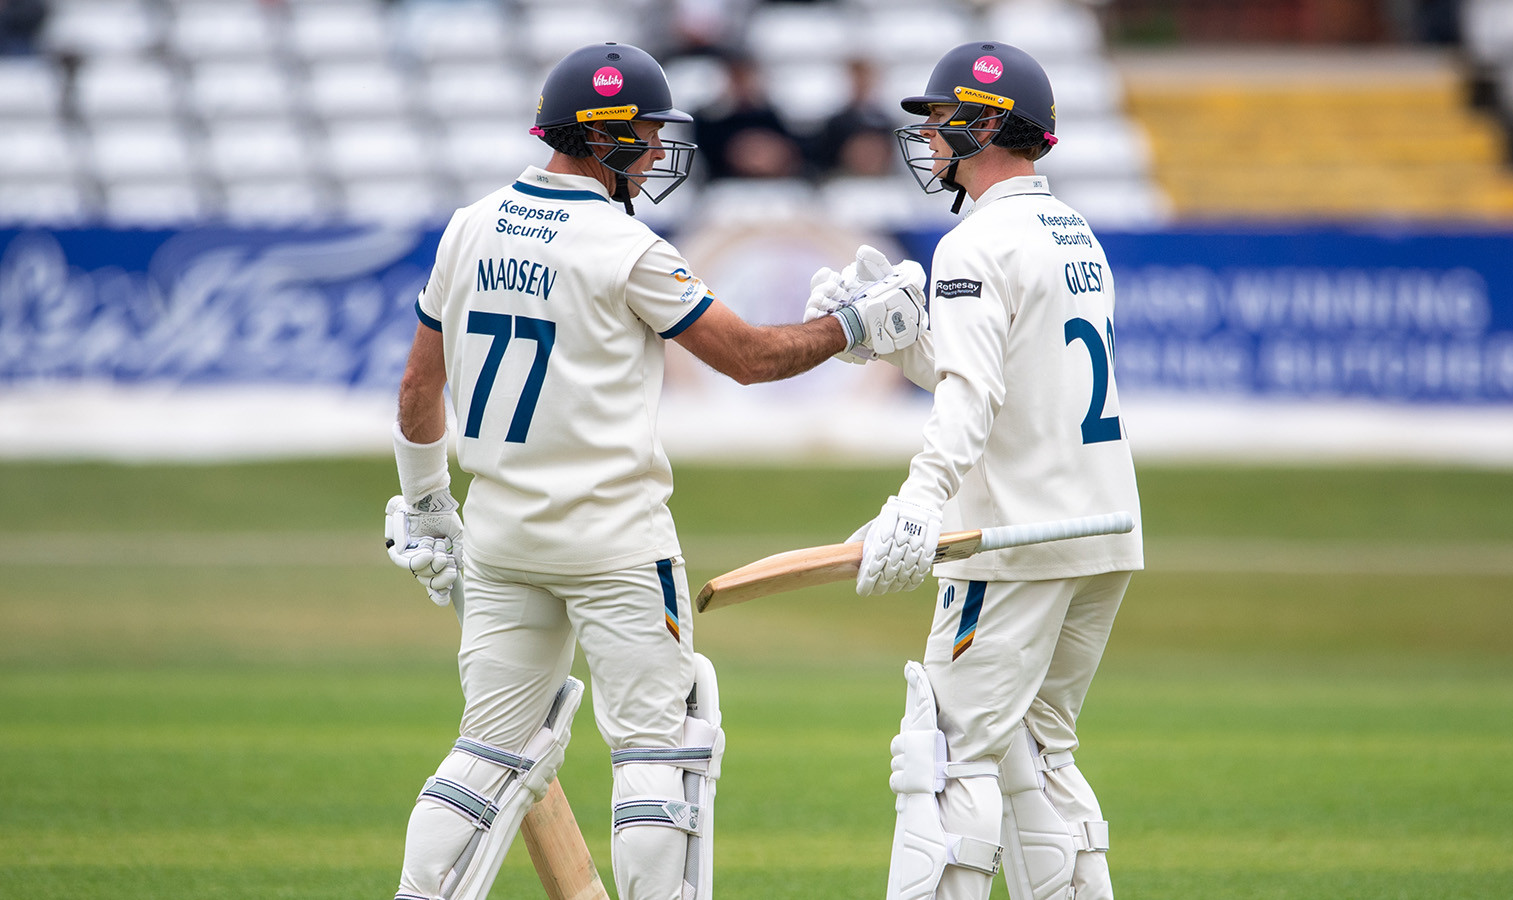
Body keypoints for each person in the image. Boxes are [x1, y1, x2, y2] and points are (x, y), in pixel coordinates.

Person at [380, 41, 926, 900]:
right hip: (615, 541)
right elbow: (746, 358)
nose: (655, 150)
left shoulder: (470, 224)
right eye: (642, 133)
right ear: (601, 140)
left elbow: (419, 386)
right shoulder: (626, 245)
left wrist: (423, 503)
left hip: (500, 533)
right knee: (657, 753)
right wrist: (854, 328)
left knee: (484, 751)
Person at [810, 41, 1144, 900]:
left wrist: (918, 504)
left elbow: (971, 396)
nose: (926, 141)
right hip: (1101, 531)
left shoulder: (975, 243)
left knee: (943, 756)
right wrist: (896, 341)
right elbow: (1003, 379)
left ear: (983, 125)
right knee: (1040, 751)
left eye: (937, 122)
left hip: (1011, 541)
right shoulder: (1073, 233)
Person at [690, 47, 805, 180]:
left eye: (746, 78)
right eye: (736, 78)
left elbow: (793, 151)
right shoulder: (710, 120)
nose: (743, 85)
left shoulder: (770, 116)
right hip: (727, 183)